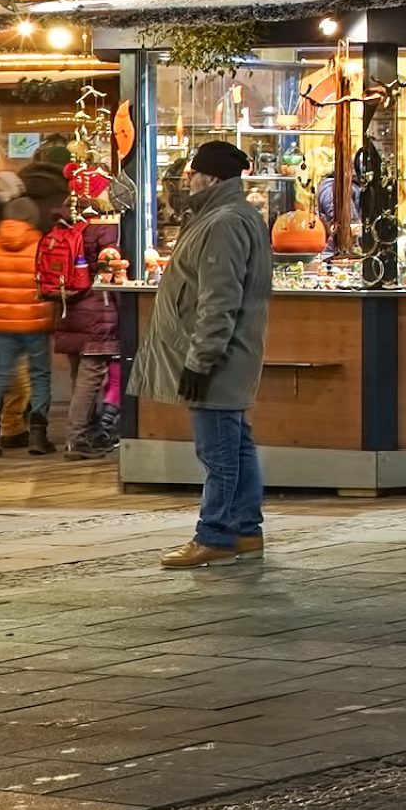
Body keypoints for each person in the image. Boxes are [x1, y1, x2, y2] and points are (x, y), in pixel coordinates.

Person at [130, 140, 275, 568]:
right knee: (235, 443)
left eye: (192, 172)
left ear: (209, 177)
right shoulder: (225, 216)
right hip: (225, 352)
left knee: (218, 452)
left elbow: (219, 298)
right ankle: (246, 530)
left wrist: (201, 358)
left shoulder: (224, 222)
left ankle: (215, 535)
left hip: (219, 357)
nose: (187, 179)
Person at [0, 196, 56, 458]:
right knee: (39, 376)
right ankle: (38, 436)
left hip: (2, 322)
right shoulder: (41, 243)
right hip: (35, 321)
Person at [45, 192, 123, 459]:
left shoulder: (62, 226)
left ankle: (86, 434)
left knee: (79, 375)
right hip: (96, 309)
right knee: (91, 377)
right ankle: (76, 439)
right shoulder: (102, 229)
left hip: (68, 308)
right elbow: (110, 265)